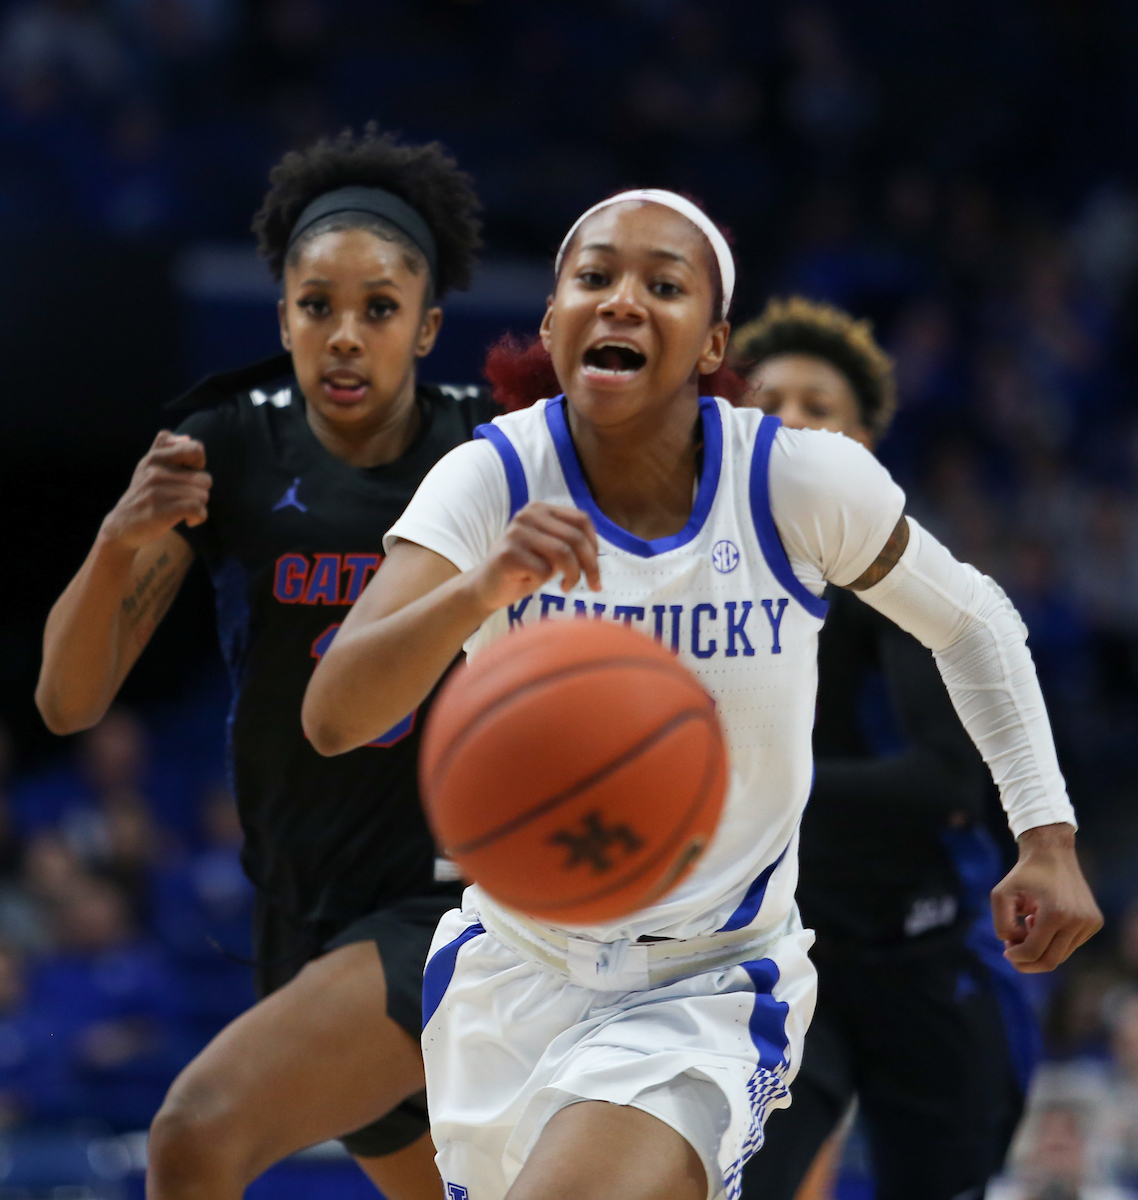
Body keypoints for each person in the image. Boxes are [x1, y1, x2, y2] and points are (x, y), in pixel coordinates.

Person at [302, 188, 1102, 1200]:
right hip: (510, 968)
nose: (624, 300)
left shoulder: (793, 482)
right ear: (553, 325)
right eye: (594, 278)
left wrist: (1046, 836)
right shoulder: (490, 480)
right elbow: (336, 715)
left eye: (663, 285)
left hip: (706, 982)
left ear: (713, 340)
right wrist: (480, 589)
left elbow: (973, 620)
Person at [35, 125, 491, 1200]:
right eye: (316, 305)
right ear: (281, 314)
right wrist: (116, 542)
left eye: (378, 309)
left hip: (457, 895)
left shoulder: (498, 446)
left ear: (427, 327)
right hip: (302, 904)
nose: (344, 335)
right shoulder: (226, 446)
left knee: (194, 1135)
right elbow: (67, 703)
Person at [732, 297, 1036, 1200]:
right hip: (792, 950)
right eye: (767, 404)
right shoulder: (689, 582)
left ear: (860, 445)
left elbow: (946, 779)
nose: (788, 424)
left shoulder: (902, 580)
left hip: (927, 949)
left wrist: (744, 782)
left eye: (816, 408)